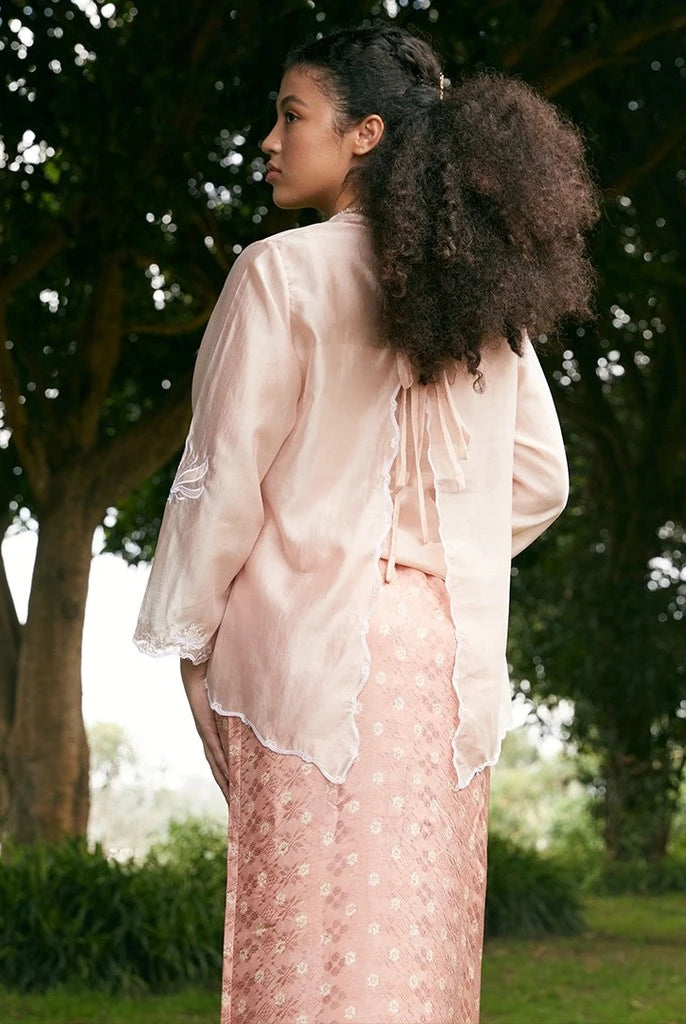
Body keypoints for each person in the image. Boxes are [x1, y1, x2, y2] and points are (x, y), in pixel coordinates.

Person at [133, 21, 600, 1024]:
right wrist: (433, 549)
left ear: (363, 134)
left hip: (304, 652)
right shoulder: (479, 298)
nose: (267, 138)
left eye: (289, 114)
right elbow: (536, 479)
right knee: (408, 965)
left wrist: (192, 636)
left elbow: (224, 485)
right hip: (438, 662)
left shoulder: (278, 273)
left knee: (298, 961)